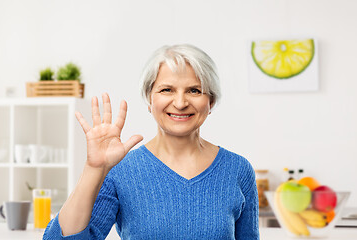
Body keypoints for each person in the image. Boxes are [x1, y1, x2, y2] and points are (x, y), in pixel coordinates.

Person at [43, 44, 259, 239]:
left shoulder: (238, 169)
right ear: (149, 99)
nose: (181, 102)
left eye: (194, 90)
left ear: (210, 101)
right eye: (167, 90)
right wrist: (94, 168)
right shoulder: (121, 170)